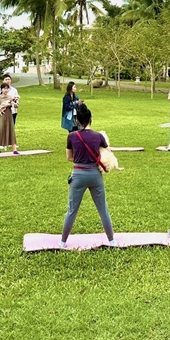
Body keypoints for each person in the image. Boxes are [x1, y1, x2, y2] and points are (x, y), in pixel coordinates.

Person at [60, 103, 116, 248]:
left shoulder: (71, 136)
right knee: (103, 209)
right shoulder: (98, 136)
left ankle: (63, 242)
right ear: (91, 119)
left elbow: (69, 158)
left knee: (72, 210)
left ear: (77, 121)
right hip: (95, 175)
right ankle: (112, 241)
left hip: (78, 174)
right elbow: (107, 152)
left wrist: (80, 158)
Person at [0, 83, 19, 156]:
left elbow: (16, 105)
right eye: (4, 88)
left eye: (7, 88)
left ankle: (14, 150)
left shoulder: (10, 97)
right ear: (1, 89)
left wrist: (11, 103)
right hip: (2, 116)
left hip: (9, 115)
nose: (6, 90)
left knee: (11, 130)